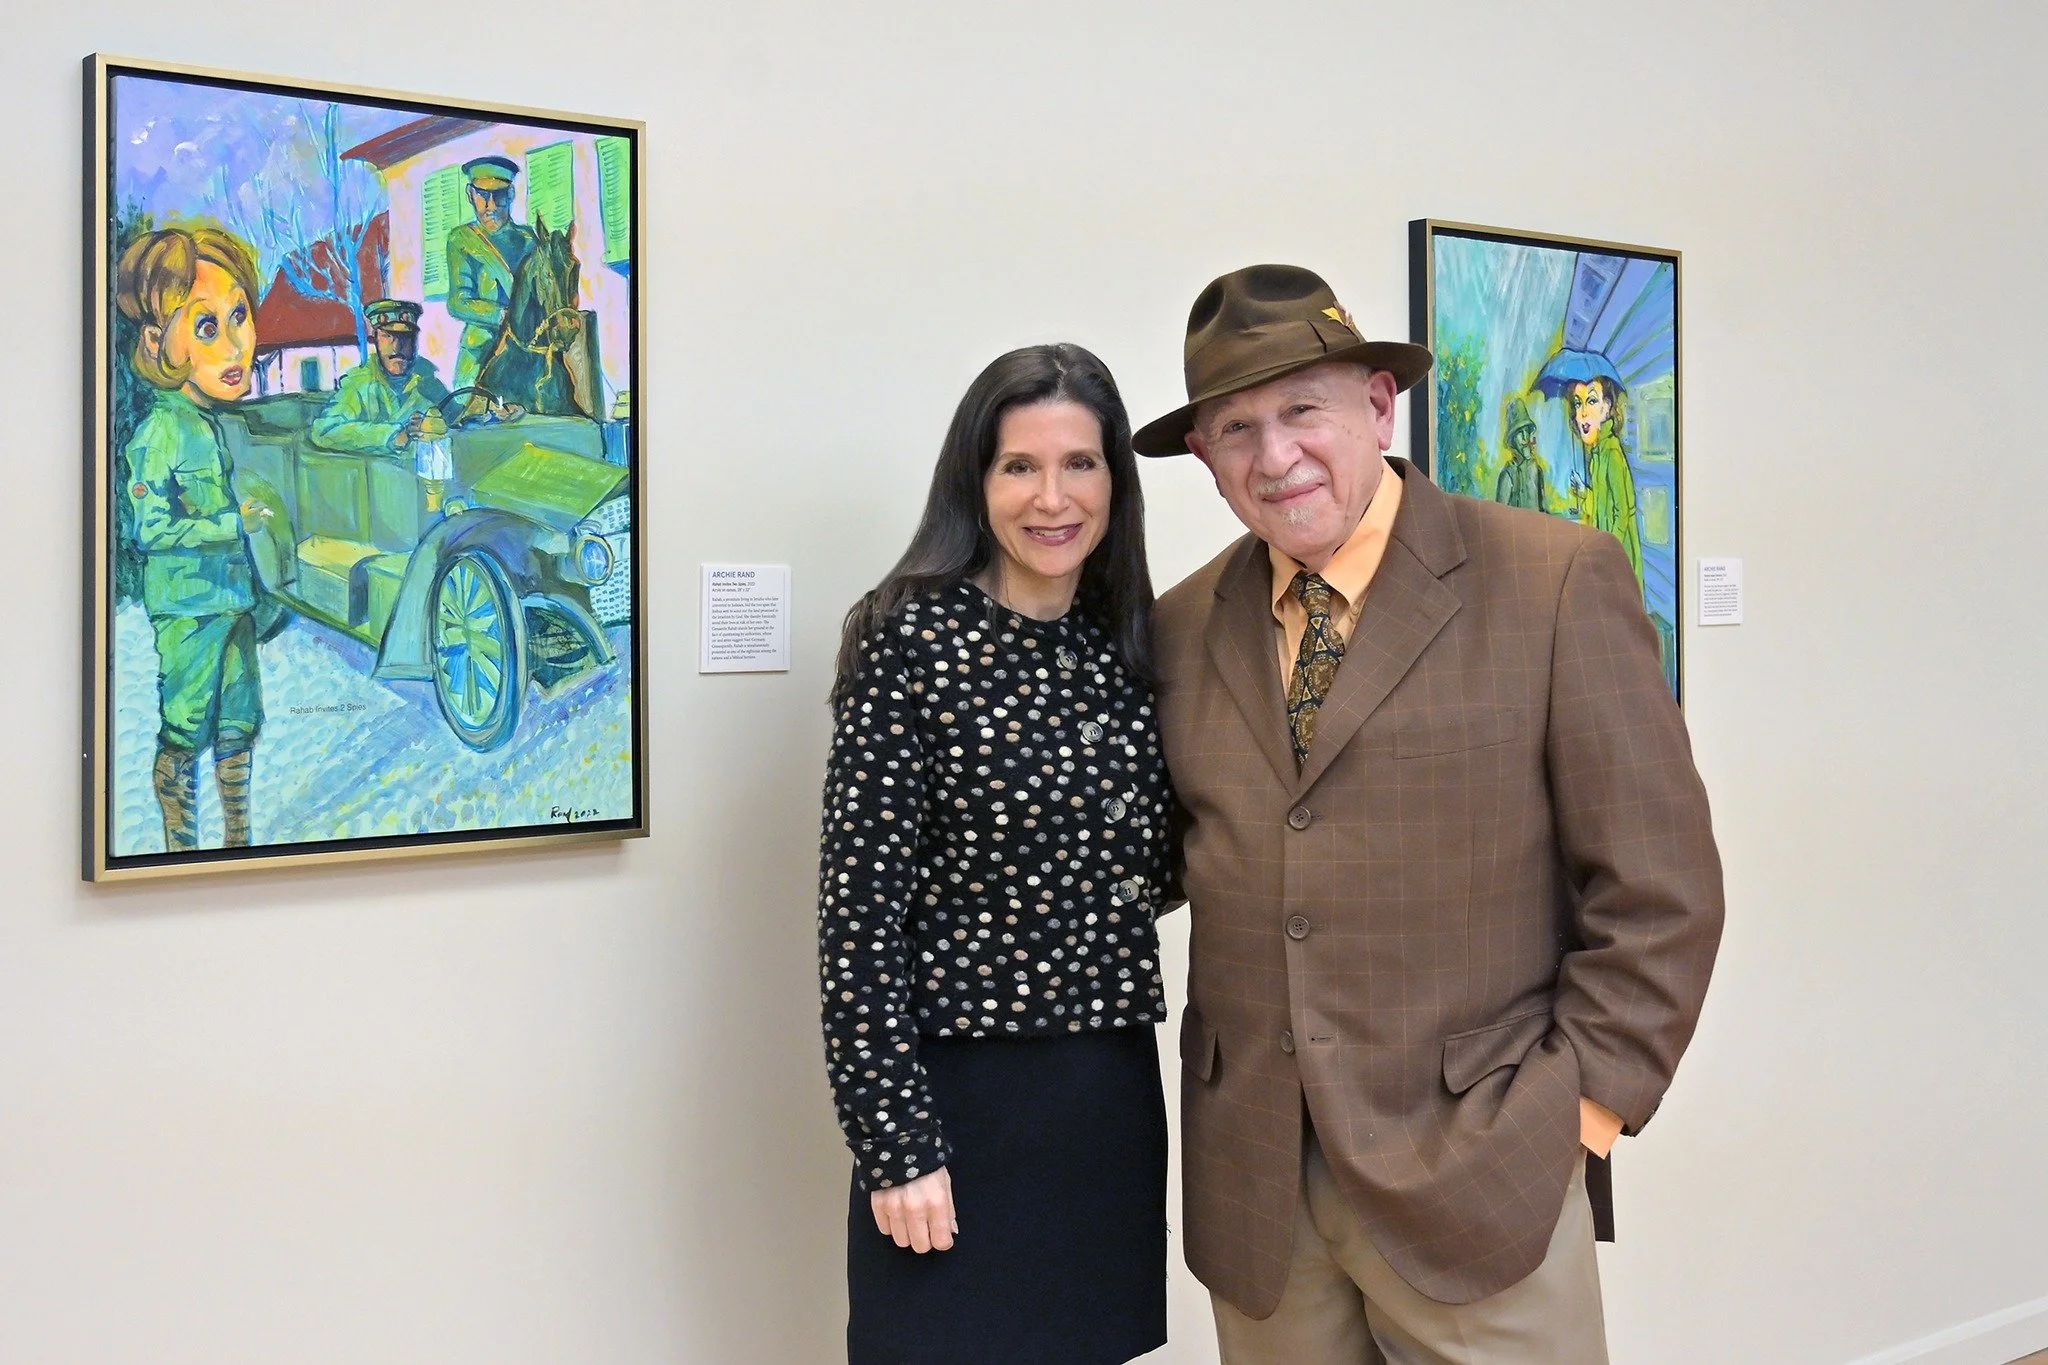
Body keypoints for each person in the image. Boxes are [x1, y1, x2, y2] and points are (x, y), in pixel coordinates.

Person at [1134, 264, 1723, 1364]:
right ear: (1204, 459)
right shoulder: (1177, 628)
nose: (1274, 456)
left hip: (1483, 1177)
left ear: (1374, 405)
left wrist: (1575, 1120)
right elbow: (1165, 858)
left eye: (1301, 410)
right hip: (1255, 1188)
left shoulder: (1550, 580)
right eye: (1234, 428)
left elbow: (1658, 888)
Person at [819, 344, 1173, 1365]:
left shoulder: (1129, 645)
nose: (1051, 497)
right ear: (974, 482)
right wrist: (895, 1147)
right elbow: (856, 921)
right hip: (954, 1107)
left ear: (1116, 480)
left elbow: (1161, 866)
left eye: (1080, 464)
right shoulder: (909, 641)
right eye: (1019, 466)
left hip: (1104, 1098)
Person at [115, 224, 273, 852]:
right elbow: (152, 529)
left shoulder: (214, 423)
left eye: (240, 316)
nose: (237, 345)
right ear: (160, 341)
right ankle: (181, 848)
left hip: (231, 601)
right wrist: (231, 524)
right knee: (184, 725)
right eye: (207, 327)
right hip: (187, 608)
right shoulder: (159, 433)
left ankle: (239, 840)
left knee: (239, 720)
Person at [445, 155, 538, 389]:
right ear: (470, 195)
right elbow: (458, 302)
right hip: (482, 348)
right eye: (483, 196)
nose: (491, 206)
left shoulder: (528, 240)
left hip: (527, 344)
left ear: (511, 195)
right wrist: (503, 315)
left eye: (499, 196)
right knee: (465, 409)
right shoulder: (461, 240)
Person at [1568, 375, 1645, 589]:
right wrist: (1584, 493)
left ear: (1606, 408)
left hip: (1619, 556)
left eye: (1591, 401)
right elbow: (1602, 507)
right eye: (1578, 403)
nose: (1582, 413)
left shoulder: (1611, 452)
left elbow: (1621, 514)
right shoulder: (1596, 456)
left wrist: (1609, 552)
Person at [1492, 395, 1549, 513]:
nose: (1525, 437)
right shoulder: (1508, 474)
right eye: (1519, 433)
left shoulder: (1536, 470)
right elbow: (1500, 515)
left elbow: (1543, 510)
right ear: (1512, 439)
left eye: (1526, 432)